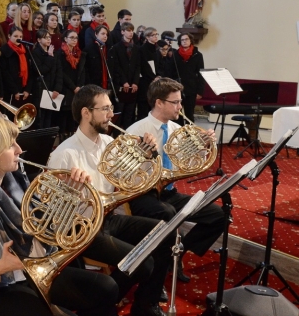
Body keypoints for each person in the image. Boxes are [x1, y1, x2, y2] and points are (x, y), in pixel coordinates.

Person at [0, 113, 119, 316]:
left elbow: (42, 227)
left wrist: (71, 190)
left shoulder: (13, 180)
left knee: (106, 288)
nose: (19, 149)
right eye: (10, 145)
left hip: (32, 270)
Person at [48, 84, 174, 316]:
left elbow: (138, 179)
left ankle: (143, 303)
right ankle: (102, 298)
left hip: (108, 219)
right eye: (105, 109)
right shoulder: (64, 154)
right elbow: (53, 211)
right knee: (142, 263)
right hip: (81, 229)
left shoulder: (108, 143)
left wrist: (147, 154)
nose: (111, 115)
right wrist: (73, 190)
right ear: (86, 113)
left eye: (111, 108)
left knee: (165, 231)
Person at [127, 78, 224, 284]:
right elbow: (127, 174)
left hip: (169, 192)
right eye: (176, 102)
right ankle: (154, 272)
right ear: (159, 102)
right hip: (144, 194)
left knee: (218, 215)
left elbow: (185, 163)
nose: (180, 107)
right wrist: (145, 155)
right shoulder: (136, 131)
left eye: (180, 102)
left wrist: (202, 146)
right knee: (167, 213)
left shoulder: (175, 128)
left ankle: (178, 253)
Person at [111, 21, 141, 129]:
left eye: (132, 30)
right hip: (121, 84)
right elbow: (117, 67)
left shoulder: (136, 48)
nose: (130, 33)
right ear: (122, 32)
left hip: (132, 85)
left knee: (130, 113)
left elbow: (138, 66)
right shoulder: (116, 48)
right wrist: (124, 82)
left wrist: (135, 82)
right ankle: (117, 135)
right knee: (120, 112)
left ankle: (128, 135)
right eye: (128, 30)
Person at [56, 29, 86, 137]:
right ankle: (62, 137)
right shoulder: (60, 53)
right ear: (65, 39)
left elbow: (82, 71)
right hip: (66, 88)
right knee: (64, 115)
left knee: (73, 114)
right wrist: (73, 87)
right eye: (71, 37)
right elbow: (61, 73)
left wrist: (79, 86)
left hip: (77, 88)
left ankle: (71, 135)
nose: (74, 40)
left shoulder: (79, 54)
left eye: (76, 38)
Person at [30, 29, 62, 129]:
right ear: (39, 40)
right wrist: (50, 57)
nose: (48, 39)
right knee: (41, 118)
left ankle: (47, 141)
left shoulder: (53, 52)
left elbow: (59, 72)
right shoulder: (36, 53)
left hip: (52, 89)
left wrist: (57, 89)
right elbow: (41, 70)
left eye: (49, 37)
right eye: (45, 37)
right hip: (40, 89)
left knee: (49, 118)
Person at [171, 33, 204, 123]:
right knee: (177, 113)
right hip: (177, 88)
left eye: (186, 39)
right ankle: (178, 134)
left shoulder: (197, 55)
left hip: (191, 89)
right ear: (179, 42)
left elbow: (201, 73)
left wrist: (200, 91)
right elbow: (171, 72)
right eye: (182, 40)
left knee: (189, 114)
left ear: (191, 41)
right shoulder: (175, 54)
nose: (184, 41)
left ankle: (189, 135)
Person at [0, 26, 32, 106]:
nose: (19, 38)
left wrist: (27, 89)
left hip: (23, 89)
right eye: (15, 36)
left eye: (20, 36)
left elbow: (30, 70)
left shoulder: (25, 50)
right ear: (9, 36)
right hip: (10, 90)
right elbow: (4, 72)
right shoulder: (4, 50)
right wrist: (14, 90)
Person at [137, 27, 159, 119]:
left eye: (156, 34)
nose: (155, 37)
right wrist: (153, 77)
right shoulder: (142, 49)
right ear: (147, 37)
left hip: (156, 80)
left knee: (154, 106)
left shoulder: (157, 49)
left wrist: (159, 76)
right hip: (145, 81)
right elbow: (144, 66)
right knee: (144, 108)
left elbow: (159, 64)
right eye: (152, 35)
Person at [83, 25, 111, 90]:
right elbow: (86, 69)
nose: (105, 36)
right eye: (102, 34)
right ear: (96, 34)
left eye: (106, 34)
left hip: (107, 83)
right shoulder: (89, 49)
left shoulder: (109, 48)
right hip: (94, 83)